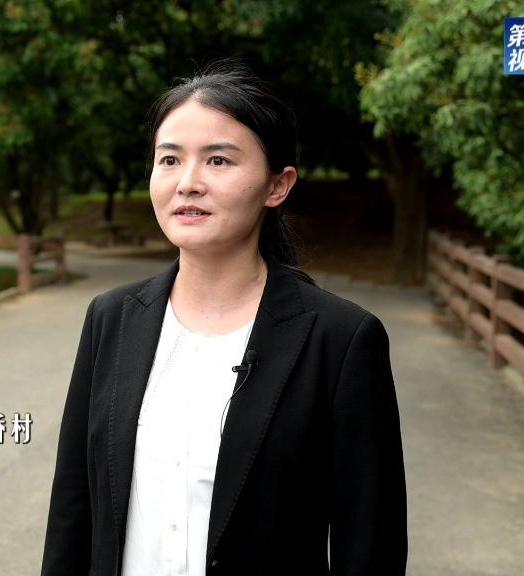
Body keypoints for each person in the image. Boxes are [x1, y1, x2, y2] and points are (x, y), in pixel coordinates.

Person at [41, 62, 407, 576]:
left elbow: (369, 544)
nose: (188, 183)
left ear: (277, 185)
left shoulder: (341, 340)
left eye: (218, 160)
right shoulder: (111, 319)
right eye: (170, 159)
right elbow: (73, 507)